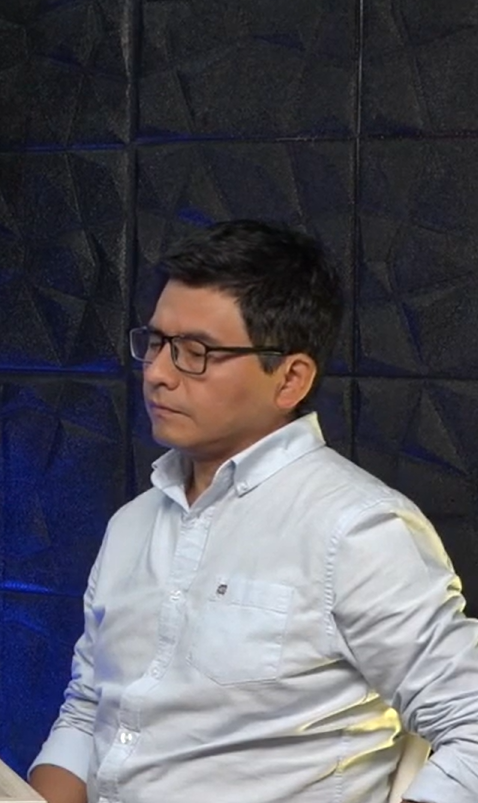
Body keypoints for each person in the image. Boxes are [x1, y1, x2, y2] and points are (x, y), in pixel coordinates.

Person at [30, 220, 478, 803]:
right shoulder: (132, 524)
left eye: (196, 352)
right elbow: (91, 710)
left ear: (290, 378)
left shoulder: (358, 529)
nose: (159, 373)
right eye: (156, 343)